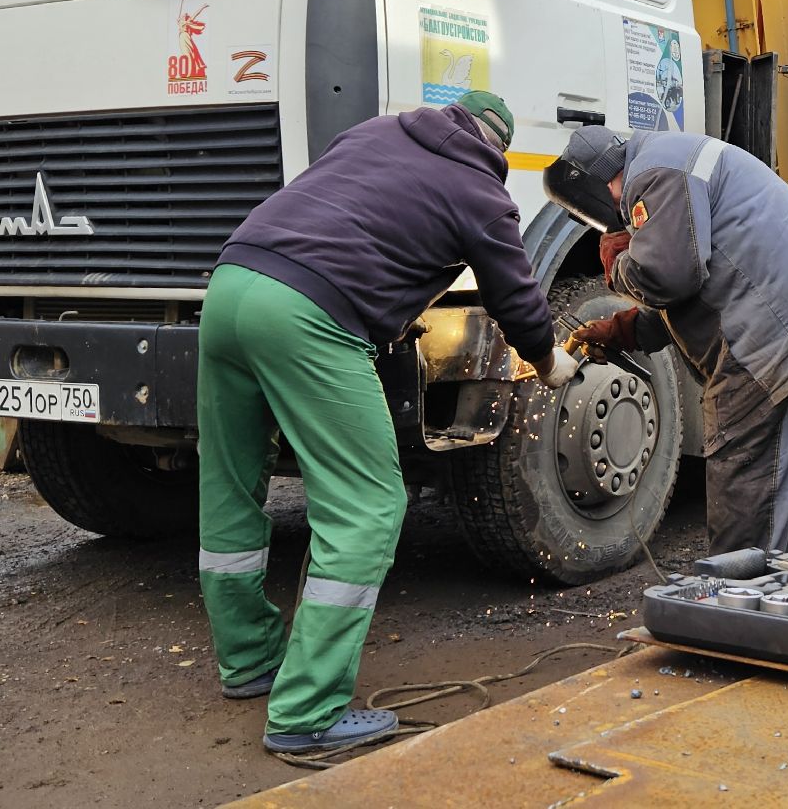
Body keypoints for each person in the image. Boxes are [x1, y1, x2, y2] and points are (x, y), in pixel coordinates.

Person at [197, 91, 578, 754]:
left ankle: (249, 660)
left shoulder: (374, 134)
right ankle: (306, 714)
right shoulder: (479, 187)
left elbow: (354, 225)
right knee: (368, 507)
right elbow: (514, 295)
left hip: (230, 285)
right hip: (307, 316)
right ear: (498, 150)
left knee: (229, 486)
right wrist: (549, 361)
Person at [543, 126, 788, 555]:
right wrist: (628, 330)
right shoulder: (668, 156)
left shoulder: (652, 174)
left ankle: (739, 601)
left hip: (778, 327)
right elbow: (711, 283)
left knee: (742, 469)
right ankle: (779, 589)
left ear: (596, 179)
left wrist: (617, 266)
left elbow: (670, 276)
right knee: (785, 479)